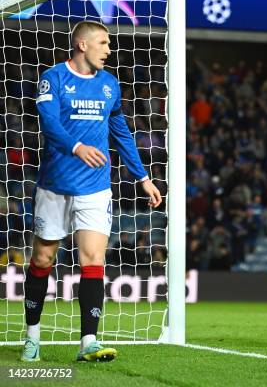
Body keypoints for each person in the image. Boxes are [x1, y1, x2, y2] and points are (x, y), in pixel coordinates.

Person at [22, 21, 162, 362]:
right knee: (42, 259)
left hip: (95, 187)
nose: (109, 50)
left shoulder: (109, 85)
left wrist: (142, 176)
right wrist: (77, 147)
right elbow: (49, 123)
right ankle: (33, 335)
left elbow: (121, 133)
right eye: (103, 43)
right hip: (55, 185)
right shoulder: (53, 78)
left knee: (93, 260)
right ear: (82, 45)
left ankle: (88, 342)